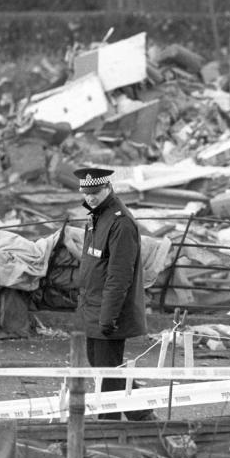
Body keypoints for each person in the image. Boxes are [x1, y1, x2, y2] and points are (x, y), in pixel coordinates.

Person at [74, 166, 156, 421]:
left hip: (107, 311)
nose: (90, 198)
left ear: (108, 188)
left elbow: (119, 276)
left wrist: (108, 317)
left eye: (96, 192)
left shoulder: (120, 221)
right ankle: (139, 412)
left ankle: (112, 425)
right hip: (93, 306)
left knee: (109, 373)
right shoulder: (98, 216)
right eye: (87, 193)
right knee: (102, 367)